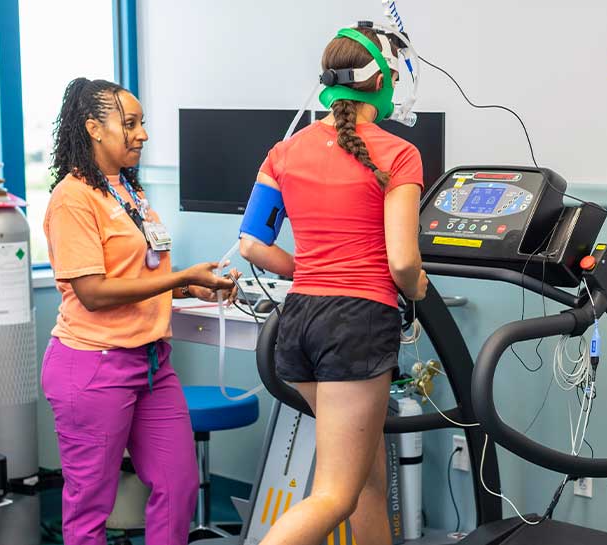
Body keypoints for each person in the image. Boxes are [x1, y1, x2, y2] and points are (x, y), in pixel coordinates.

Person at [240, 27, 428, 545]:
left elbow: (253, 245)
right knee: (334, 495)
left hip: (298, 322)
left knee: (365, 478)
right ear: (384, 81)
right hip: (356, 326)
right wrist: (418, 288)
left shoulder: (284, 151)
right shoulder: (398, 154)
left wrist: (309, 270)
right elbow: (403, 261)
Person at [41, 77, 237, 545]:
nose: (142, 134)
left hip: (151, 364)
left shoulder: (127, 191)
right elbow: (93, 292)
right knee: (91, 505)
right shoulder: (72, 198)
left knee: (178, 484)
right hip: (94, 365)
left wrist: (192, 291)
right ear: (93, 128)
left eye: (142, 123)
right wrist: (180, 277)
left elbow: (136, 279)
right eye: (129, 123)